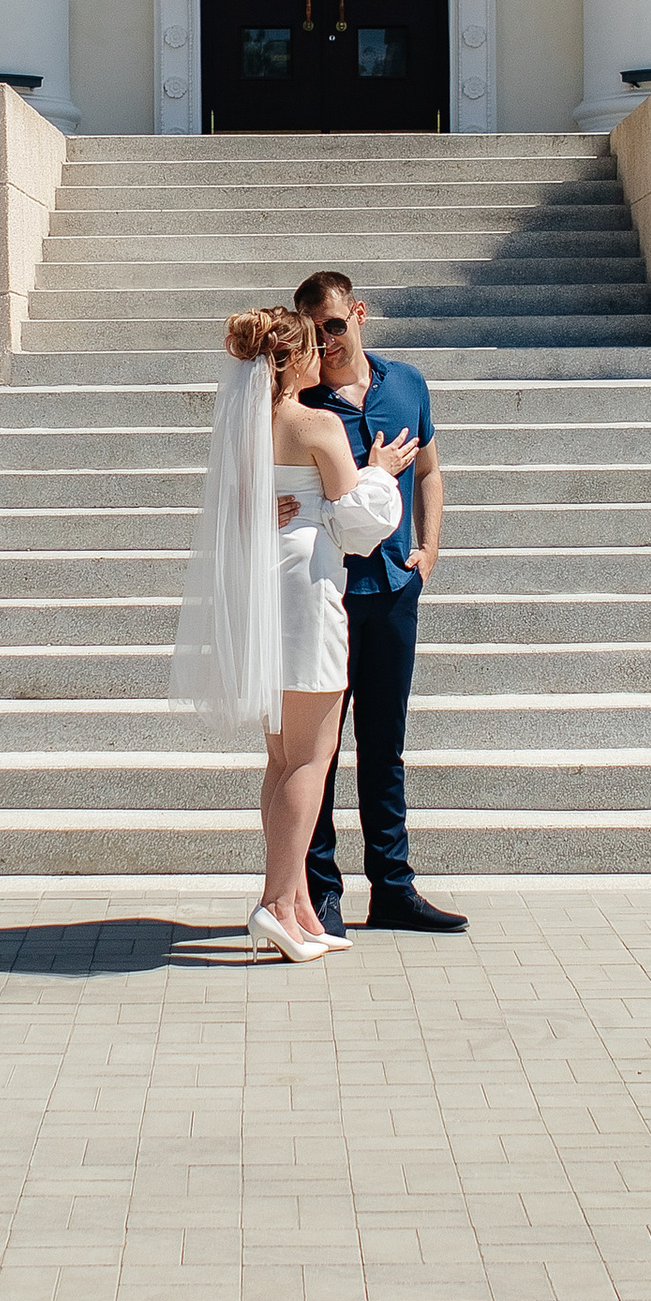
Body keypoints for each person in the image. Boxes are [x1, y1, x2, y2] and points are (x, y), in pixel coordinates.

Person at [167, 303, 417, 966]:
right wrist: (382, 473)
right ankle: (277, 904)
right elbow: (363, 523)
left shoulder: (248, 428)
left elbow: (247, 512)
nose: (321, 356)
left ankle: (297, 900)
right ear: (291, 360)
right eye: (310, 347)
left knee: (282, 759)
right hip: (305, 593)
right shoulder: (316, 423)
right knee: (311, 758)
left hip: (261, 590)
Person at [293, 268, 466, 938]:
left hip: (394, 591)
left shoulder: (408, 385)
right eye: (314, 331)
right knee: (320, 751)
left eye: (336, 324)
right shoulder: (302, 401)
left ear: (359, 313)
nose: (328, 340)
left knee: (384, 745)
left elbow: (429, 469)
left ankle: (393, 888)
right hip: (328, 597)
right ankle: (319, 896)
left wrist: (429, 550)